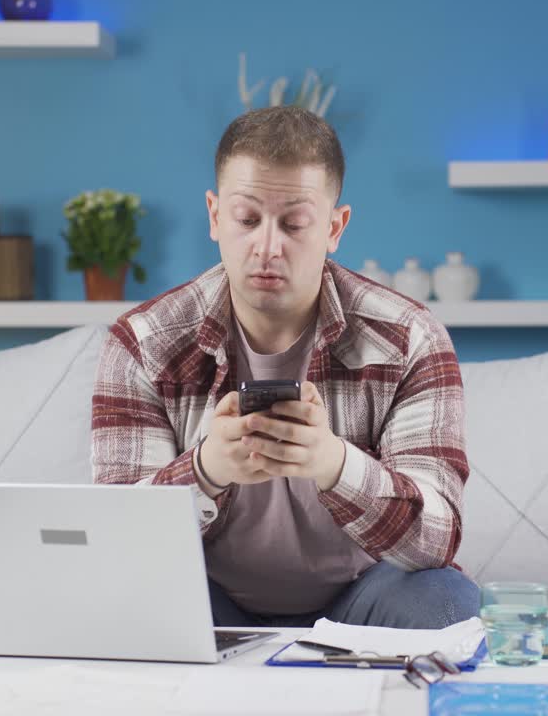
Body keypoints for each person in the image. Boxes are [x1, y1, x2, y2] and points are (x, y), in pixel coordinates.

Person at [92, 105, 476, 629]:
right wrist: (205, 472)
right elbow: (114, 540)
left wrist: (333, 464)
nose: (267, 247)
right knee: (117, 599)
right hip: (208, 597)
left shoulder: (409, 337)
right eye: (246, 219)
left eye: (295, 224)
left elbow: (436, 538)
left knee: (447, 601)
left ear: (335, 227)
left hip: (362, 596)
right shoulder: (142, 343)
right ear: (213, 216)